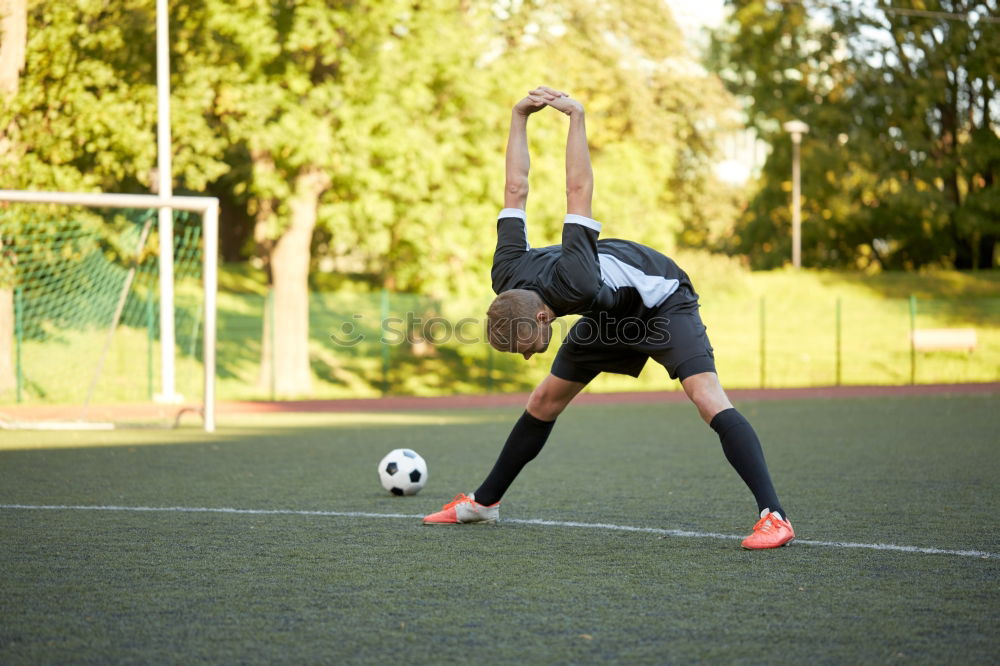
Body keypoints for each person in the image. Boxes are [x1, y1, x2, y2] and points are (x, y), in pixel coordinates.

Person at [422, 86, 794, 549]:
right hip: (605, 311)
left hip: (660, 301)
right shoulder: (506, 274)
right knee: (542, 402)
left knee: (706, 396)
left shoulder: (574, 280)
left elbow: (577, 189)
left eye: (525, 346)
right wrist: (518, 116)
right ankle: (485, 503)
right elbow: (515, 188)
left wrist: (575, 116)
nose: (525, 358)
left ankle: (774, 516)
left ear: (541, 316)